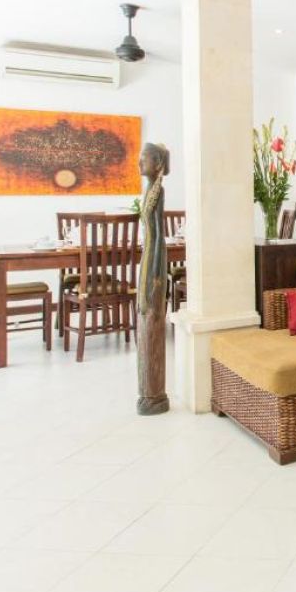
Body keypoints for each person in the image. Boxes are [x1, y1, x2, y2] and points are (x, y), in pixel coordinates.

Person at [136, 142, 170, 415]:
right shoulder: (149, 189)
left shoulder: (158, 191)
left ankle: (154, 395)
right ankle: (147, 394)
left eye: (144, 159)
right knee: (145, 318)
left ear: (157, 164)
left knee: (151, 315)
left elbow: (159, 235)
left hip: (153, 263)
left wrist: (158, 273)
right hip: (147, 258)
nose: (139, 164)